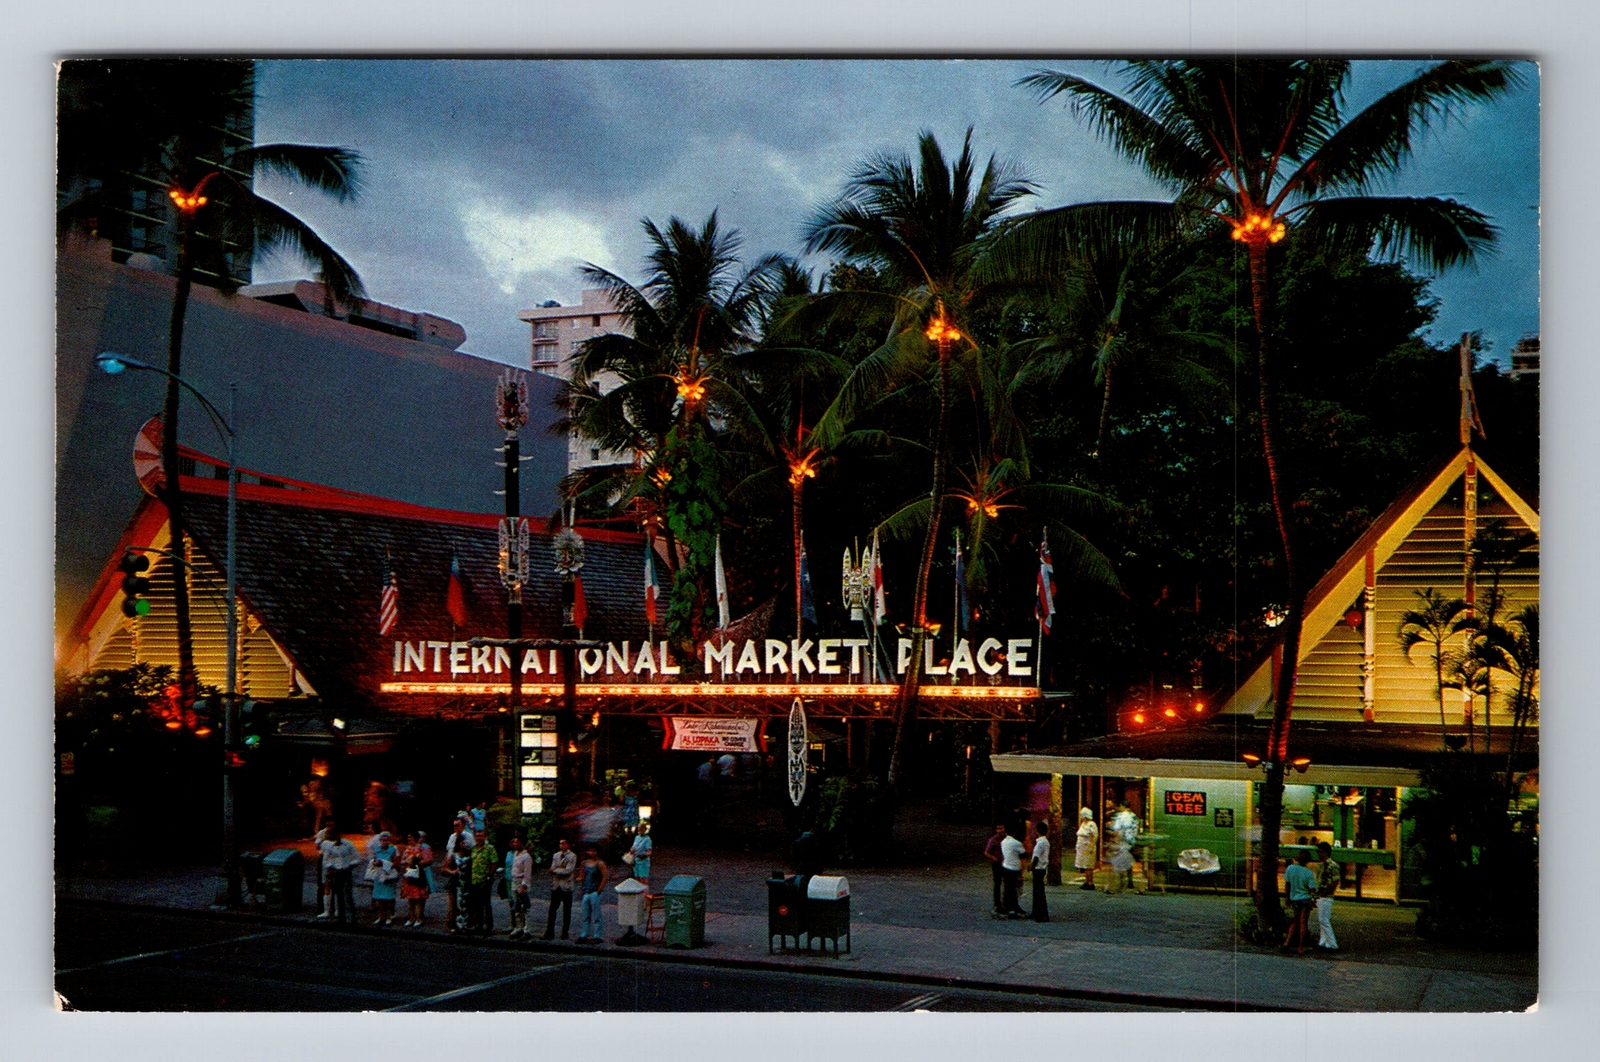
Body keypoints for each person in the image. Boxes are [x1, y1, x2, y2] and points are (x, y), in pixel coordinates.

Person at [317, 822, 360, 924]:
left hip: (346, 871)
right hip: (335, 872)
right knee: (338, 895)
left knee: (347, 895)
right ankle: (341, 917)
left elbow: (356, 858)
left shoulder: (348, 844)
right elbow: (326, 860)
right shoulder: (327, 846)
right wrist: (331, 868)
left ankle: (351, 917)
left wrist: (350, 866)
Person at [1282, 850, 1318, 955]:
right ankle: (1300, 947)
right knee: (1303, 923)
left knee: (1294, 921)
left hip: (1294, 898)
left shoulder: (1290, 868)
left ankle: (1286, 943)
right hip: (1305, 899)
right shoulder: (1309, 872)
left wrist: (1287, 898)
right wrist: (1313, 900)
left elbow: (1287, 885)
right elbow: (1312, 889)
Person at [443, 816, 475, 932]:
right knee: (452, 900)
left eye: (458, 825)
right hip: (454, 867)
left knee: (464, 900)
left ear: (463, 825)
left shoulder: (468, 836)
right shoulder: (452, 837)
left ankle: (465, 923)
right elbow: (448, 853)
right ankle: (452, 923)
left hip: (465, 870)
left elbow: (472, 852)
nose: (455, 827)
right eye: (454, 825)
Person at [465, 828, 499, 934]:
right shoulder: (473, 849)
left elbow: (494, 863)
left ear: (485, 837)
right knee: (476, 904)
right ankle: (478, 925)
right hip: (474, 880)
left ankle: (488, 926)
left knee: (486, 903)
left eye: (481, 836)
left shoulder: (489, 849)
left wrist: (489, 876)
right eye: (477, 836)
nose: (479, 838)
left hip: (485, 880)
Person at [544, 838, 576, 940]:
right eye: (560, 843)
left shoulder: (572, 856)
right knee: (552, 909)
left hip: (566, 886)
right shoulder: (556, 855)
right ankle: (549, 932)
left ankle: (565, 932)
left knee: (566, 910)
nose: (561, 845)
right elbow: (552, 868)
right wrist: (558, 870)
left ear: (568, 845)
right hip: (556, 885)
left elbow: (568, 871)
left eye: (563, 843)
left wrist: (556, 870)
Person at [366, 831, 400, 926]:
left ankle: (389, 916)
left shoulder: (393, 849)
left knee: (388, 898)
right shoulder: (377, 850)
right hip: (379, 875)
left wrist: (385, 863)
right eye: (383, 840)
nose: (385, 842)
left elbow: (396, 863)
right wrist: (374, 863)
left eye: (387, 840)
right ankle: (381, 916)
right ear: (380, 841)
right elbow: (372, 860)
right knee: (379, 897)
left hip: (388, 875)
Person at [576, 844, 608, 943]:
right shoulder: (584, 863)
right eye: (590, 851)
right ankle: (584, 934)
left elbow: (605, 877)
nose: (591, 853)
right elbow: (581, 876)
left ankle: (597, 935)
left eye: (593, 851)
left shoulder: (600, 864)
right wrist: (581, 888)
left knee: (596, 915)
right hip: (586, 891)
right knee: (585, 915)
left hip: (594, 891)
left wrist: (599, 890)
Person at [1315, 841, 1341, 953]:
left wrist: (1325, 892)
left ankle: (1332, 943)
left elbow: (1335, 881)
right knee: (1323, 919)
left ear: (1326, 852)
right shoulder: (1321, 866)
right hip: (1321, 894)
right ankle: (1323, 942)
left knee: (1323, 920)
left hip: (1326, 895)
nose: (1318, 854)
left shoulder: (1332, 866)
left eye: (1320, 852)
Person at [506, 834, 533, 938]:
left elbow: (527, 873)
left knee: (524, 907)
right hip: (514, 881)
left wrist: (524, 886)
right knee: (516, 907)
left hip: (522, 882)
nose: (515, 844)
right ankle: (519, 927)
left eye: (517, 841)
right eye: (514, 842)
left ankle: (527, 929)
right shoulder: (515, 854)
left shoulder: (526, 856)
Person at [999, 825, 1027, 918]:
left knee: (1007, 888)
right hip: (1014, 868)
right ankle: (1013, 907)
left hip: (1006, 866)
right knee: (1014, 888)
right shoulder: (1016, 843)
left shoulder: (1003, 842)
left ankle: (1008, 906)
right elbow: (1023, 853)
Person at [400, 844, 431, 928]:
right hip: (409, 880)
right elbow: (402, 862)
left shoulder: (422, 850)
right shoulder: (407, 850)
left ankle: (418, 918)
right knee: (411, 901)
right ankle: (411, 918)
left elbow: (427, 861)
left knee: (418, 900)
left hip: (418, 880)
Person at [1030, 820, 1052, 923]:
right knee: (1037, 891)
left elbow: (1036, 857)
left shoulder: (1040, 843)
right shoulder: (1044, 841)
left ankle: (1041, 914)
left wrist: (1031, 866)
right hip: (1042, 868)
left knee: (1038, 892)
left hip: (1038, 868)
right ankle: (1036, 912)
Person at [983, 824, 1007, 914]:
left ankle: (1005, 903)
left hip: (1005, 863)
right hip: (997, 863)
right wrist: (994, 858)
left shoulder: (1007, 838)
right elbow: (986, 852)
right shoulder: (993, 840)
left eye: (1002, 828)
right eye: (998, 829)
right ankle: (997, 904)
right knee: (997, 884)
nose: (1000, 830)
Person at [1074, 808, 1099, 891]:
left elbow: (1095, 836)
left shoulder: (1092, 824)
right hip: (1082, 848)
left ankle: (1090, 882)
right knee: (1084, 865)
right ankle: (1086, 881)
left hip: (1088, 847)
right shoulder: (1083, 824)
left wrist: (1091, 846)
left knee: (1088, 866)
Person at [626, 822, 653, 887]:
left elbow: (649, 852)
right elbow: (634, 846)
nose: (639, 830)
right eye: (638, 829)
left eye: (641, 829)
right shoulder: (637, 837)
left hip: (643, 862)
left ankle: (645, 894)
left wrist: (643, 854)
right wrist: (632, 849)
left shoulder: (647, 839)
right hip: (636, 861)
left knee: (643, 880)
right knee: (636, 879)